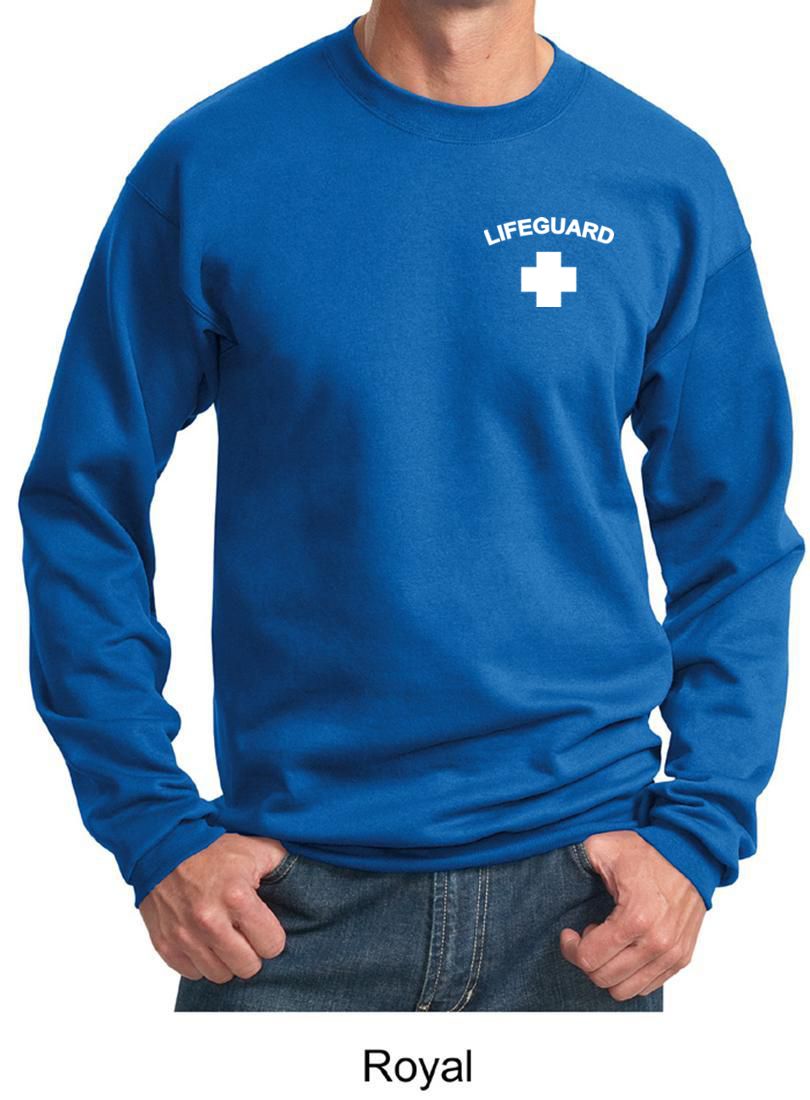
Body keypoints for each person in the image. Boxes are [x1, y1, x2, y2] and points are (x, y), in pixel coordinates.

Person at [19, 0, 803, 1013]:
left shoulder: (664, 178)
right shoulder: (214, 165)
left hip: (583, 907)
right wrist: (151, 827)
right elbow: (82, 500)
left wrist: (697, 833)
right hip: (282, 914)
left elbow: (736, 531)